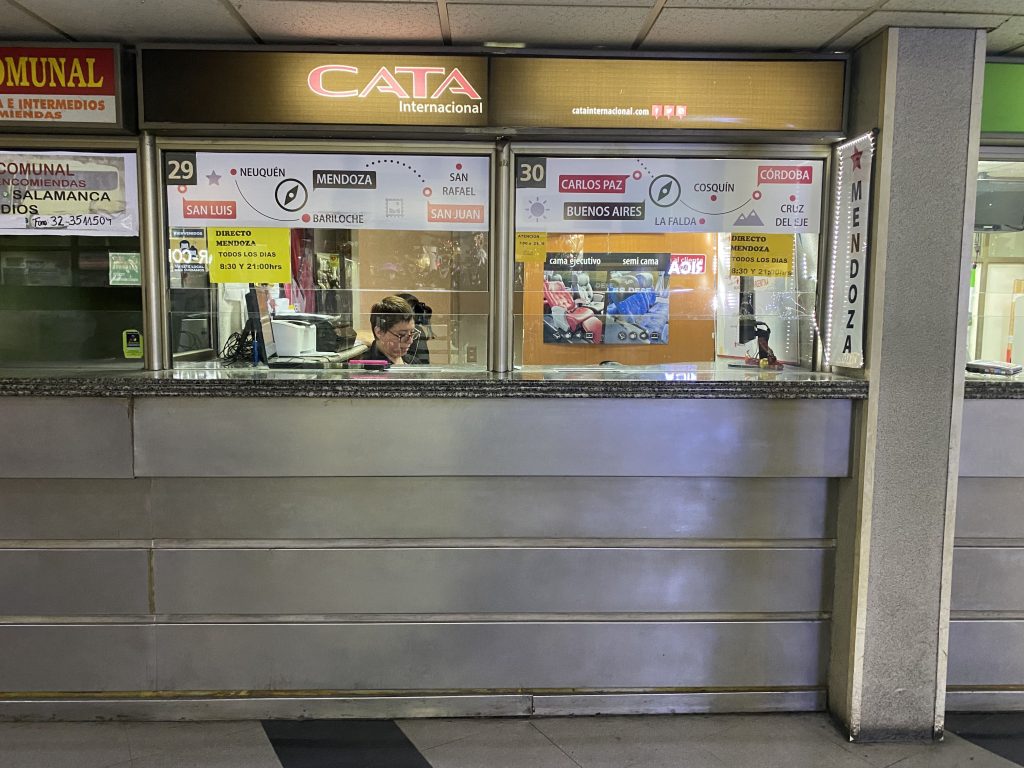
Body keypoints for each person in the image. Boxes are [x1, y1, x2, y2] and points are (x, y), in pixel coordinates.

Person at [356, 295, 427, 366]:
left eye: (412, 332)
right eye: (402, 335)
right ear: (379, 332)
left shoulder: (414, 361)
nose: (410, 341)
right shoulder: (366, 366)